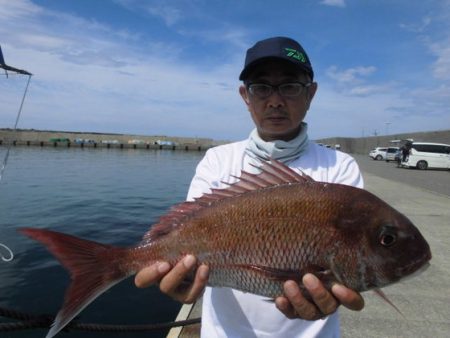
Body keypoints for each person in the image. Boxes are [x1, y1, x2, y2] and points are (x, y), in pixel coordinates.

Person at [135, 36, 365, 337]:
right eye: (261, 87)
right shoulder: (217, 160)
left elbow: (349, 265)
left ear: (311, 94)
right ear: (245, 96)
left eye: (290, 86)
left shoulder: (340, 167)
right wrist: (179, 279)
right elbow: (188, 233)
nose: (275, 100)